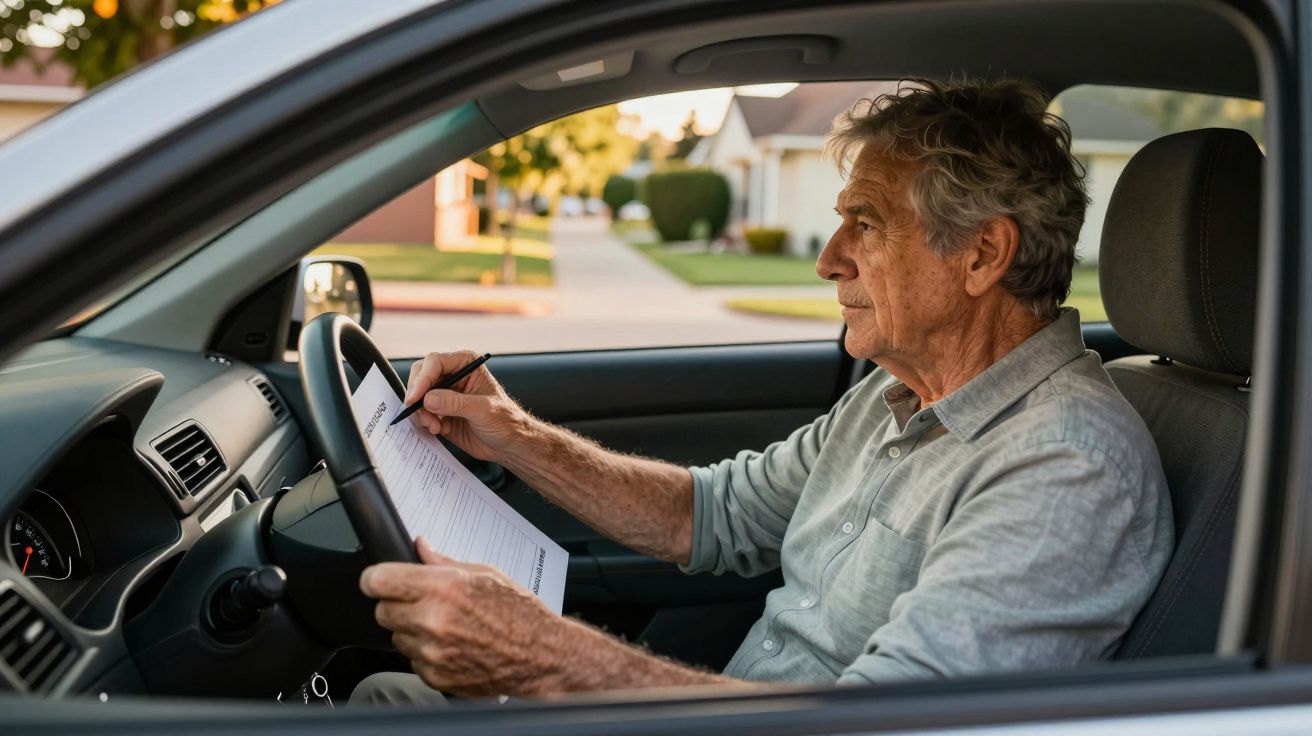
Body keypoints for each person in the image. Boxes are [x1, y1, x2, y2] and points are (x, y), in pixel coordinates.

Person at [351, 78, 1173, 705]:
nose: (828, 258)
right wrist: (510, 435)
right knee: (387, 696)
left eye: (868, 222)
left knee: (381, 703)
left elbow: (892, 726)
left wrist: (548, 657)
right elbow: (707, 514)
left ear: (983, 255)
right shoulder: (893, 396)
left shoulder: (1067, 463)